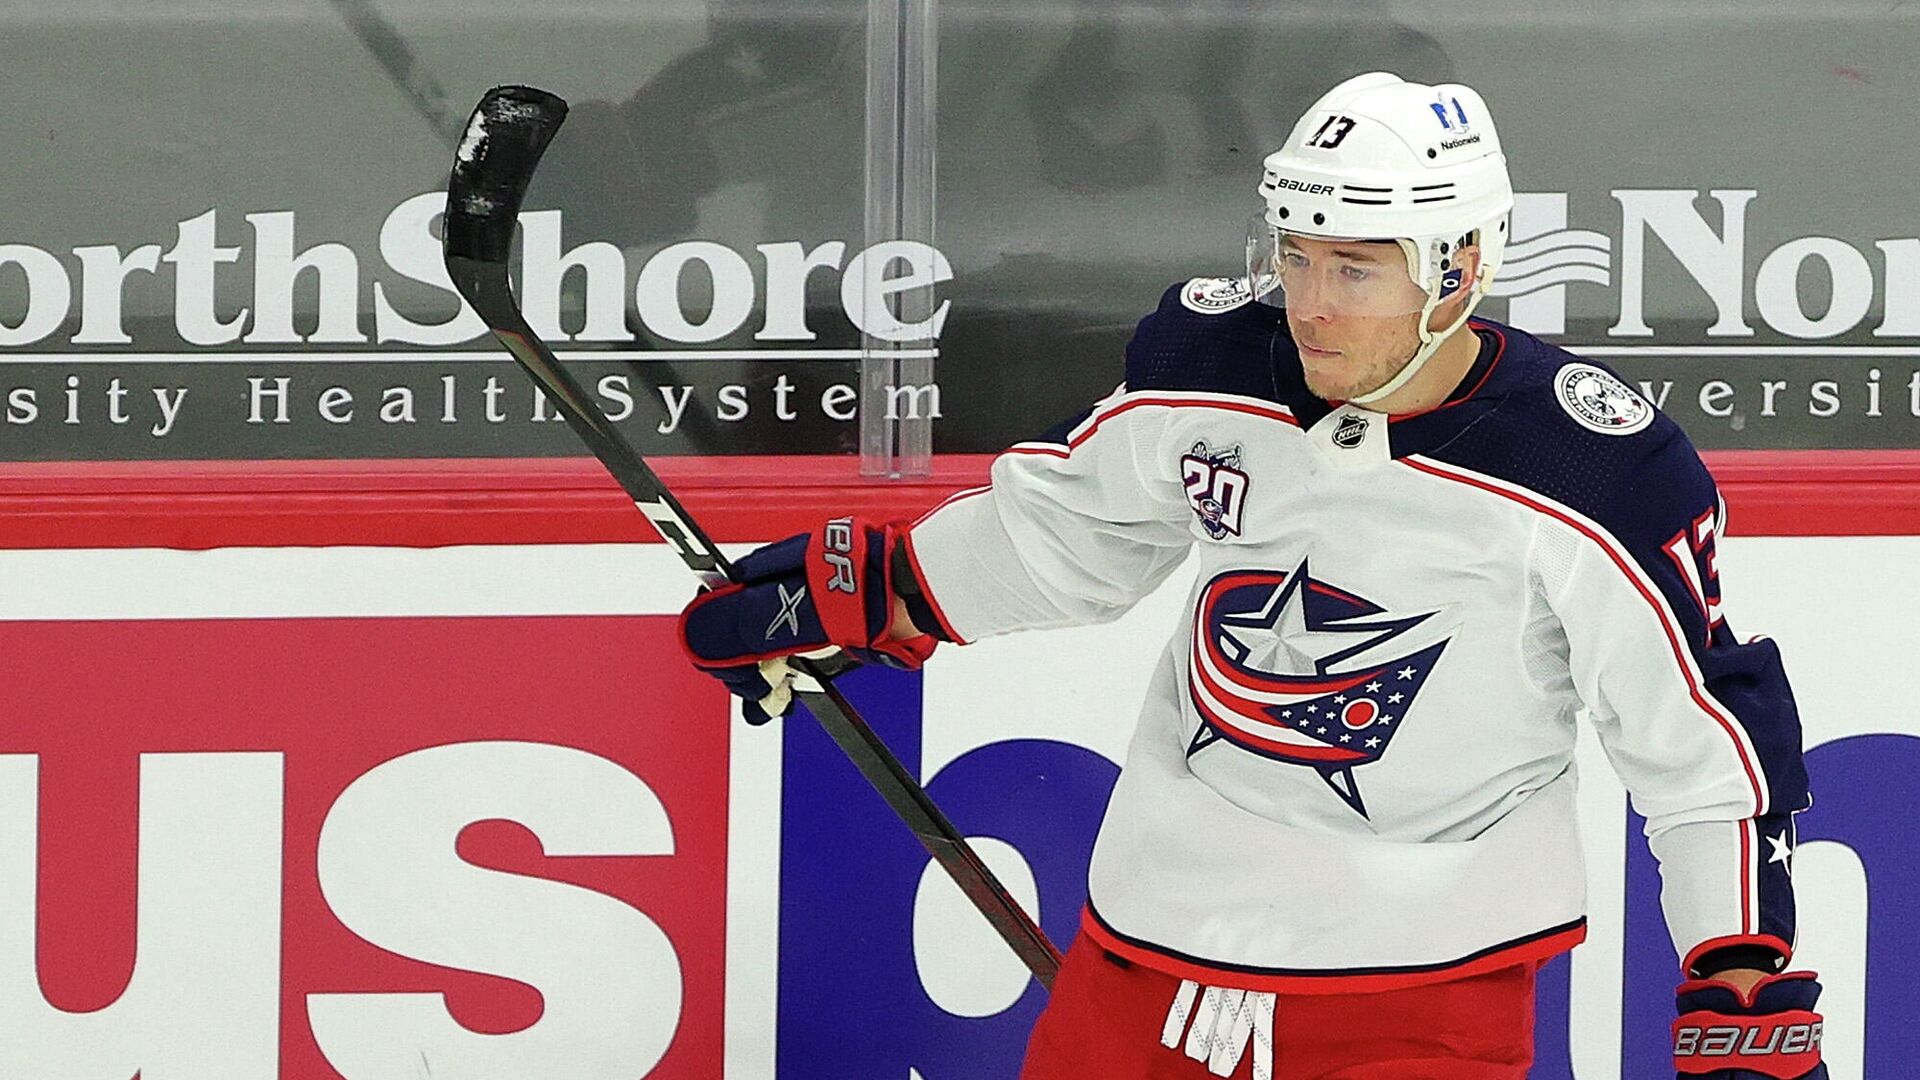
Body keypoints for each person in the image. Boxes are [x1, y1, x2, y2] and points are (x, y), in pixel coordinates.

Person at [679, 72, 1825, 1080]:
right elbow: (1070, 533)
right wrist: (878, 591)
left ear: (1462, 266)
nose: (1312, 303)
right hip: (1149, 962)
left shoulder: (1589, 472)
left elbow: (1701, 751)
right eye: (1296, 254)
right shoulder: (1220, 366)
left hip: (1420, 998)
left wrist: (1740, 972)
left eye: (1357, 269)